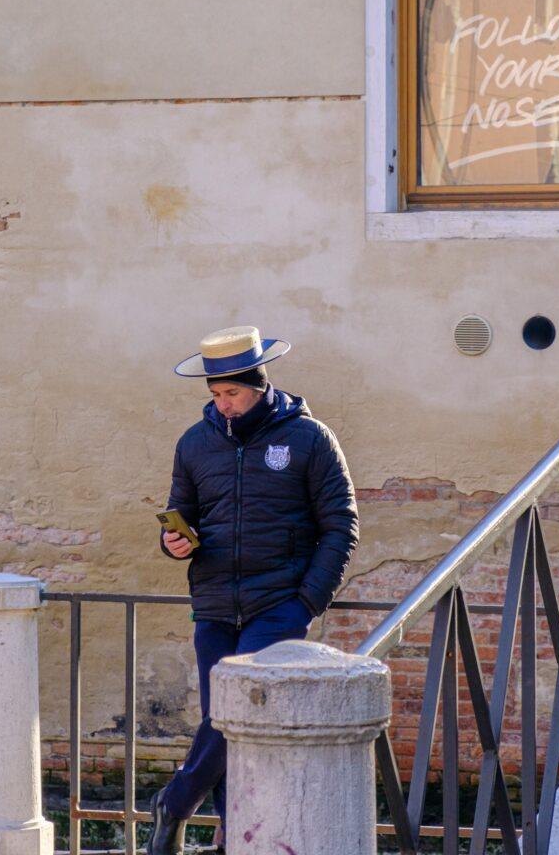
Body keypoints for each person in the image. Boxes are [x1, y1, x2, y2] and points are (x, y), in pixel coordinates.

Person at [147, 326, 359, 855]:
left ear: (260, 386)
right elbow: (183, 516)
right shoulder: (194, 443)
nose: (224, 406)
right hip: (215, 603)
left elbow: (341, 526)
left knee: (232, 716)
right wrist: (173, 542)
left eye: (233, 394)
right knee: (223, 722)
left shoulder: (310, 439)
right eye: (216, 396)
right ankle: (230, 838)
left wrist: (307, 600)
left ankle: (174, 804)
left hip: (279, 603)